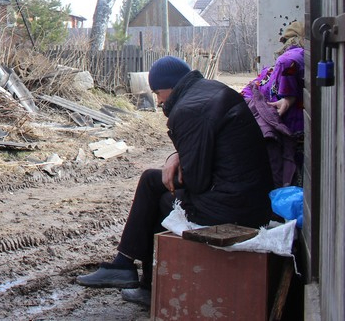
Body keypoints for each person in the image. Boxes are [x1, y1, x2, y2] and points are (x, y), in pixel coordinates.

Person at [75, 56, 274, 308]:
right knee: (151, 179)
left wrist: (177, 161)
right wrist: (176, 156)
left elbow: (196, 181)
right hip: (250, 196)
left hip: (233, 207)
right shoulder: (212, 90)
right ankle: (126, 267)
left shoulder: (187, 110)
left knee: (164, 199)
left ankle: (139, 277)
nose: (158, 101)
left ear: (170, 86)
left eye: (158, 92)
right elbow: (207, 145)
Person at [242, 20, 305, 187]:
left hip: (280, 131)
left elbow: (287, 62)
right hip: (284, 131)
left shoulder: (283, 61)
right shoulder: (284, 62)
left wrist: (288, 95)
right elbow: (287, 63)